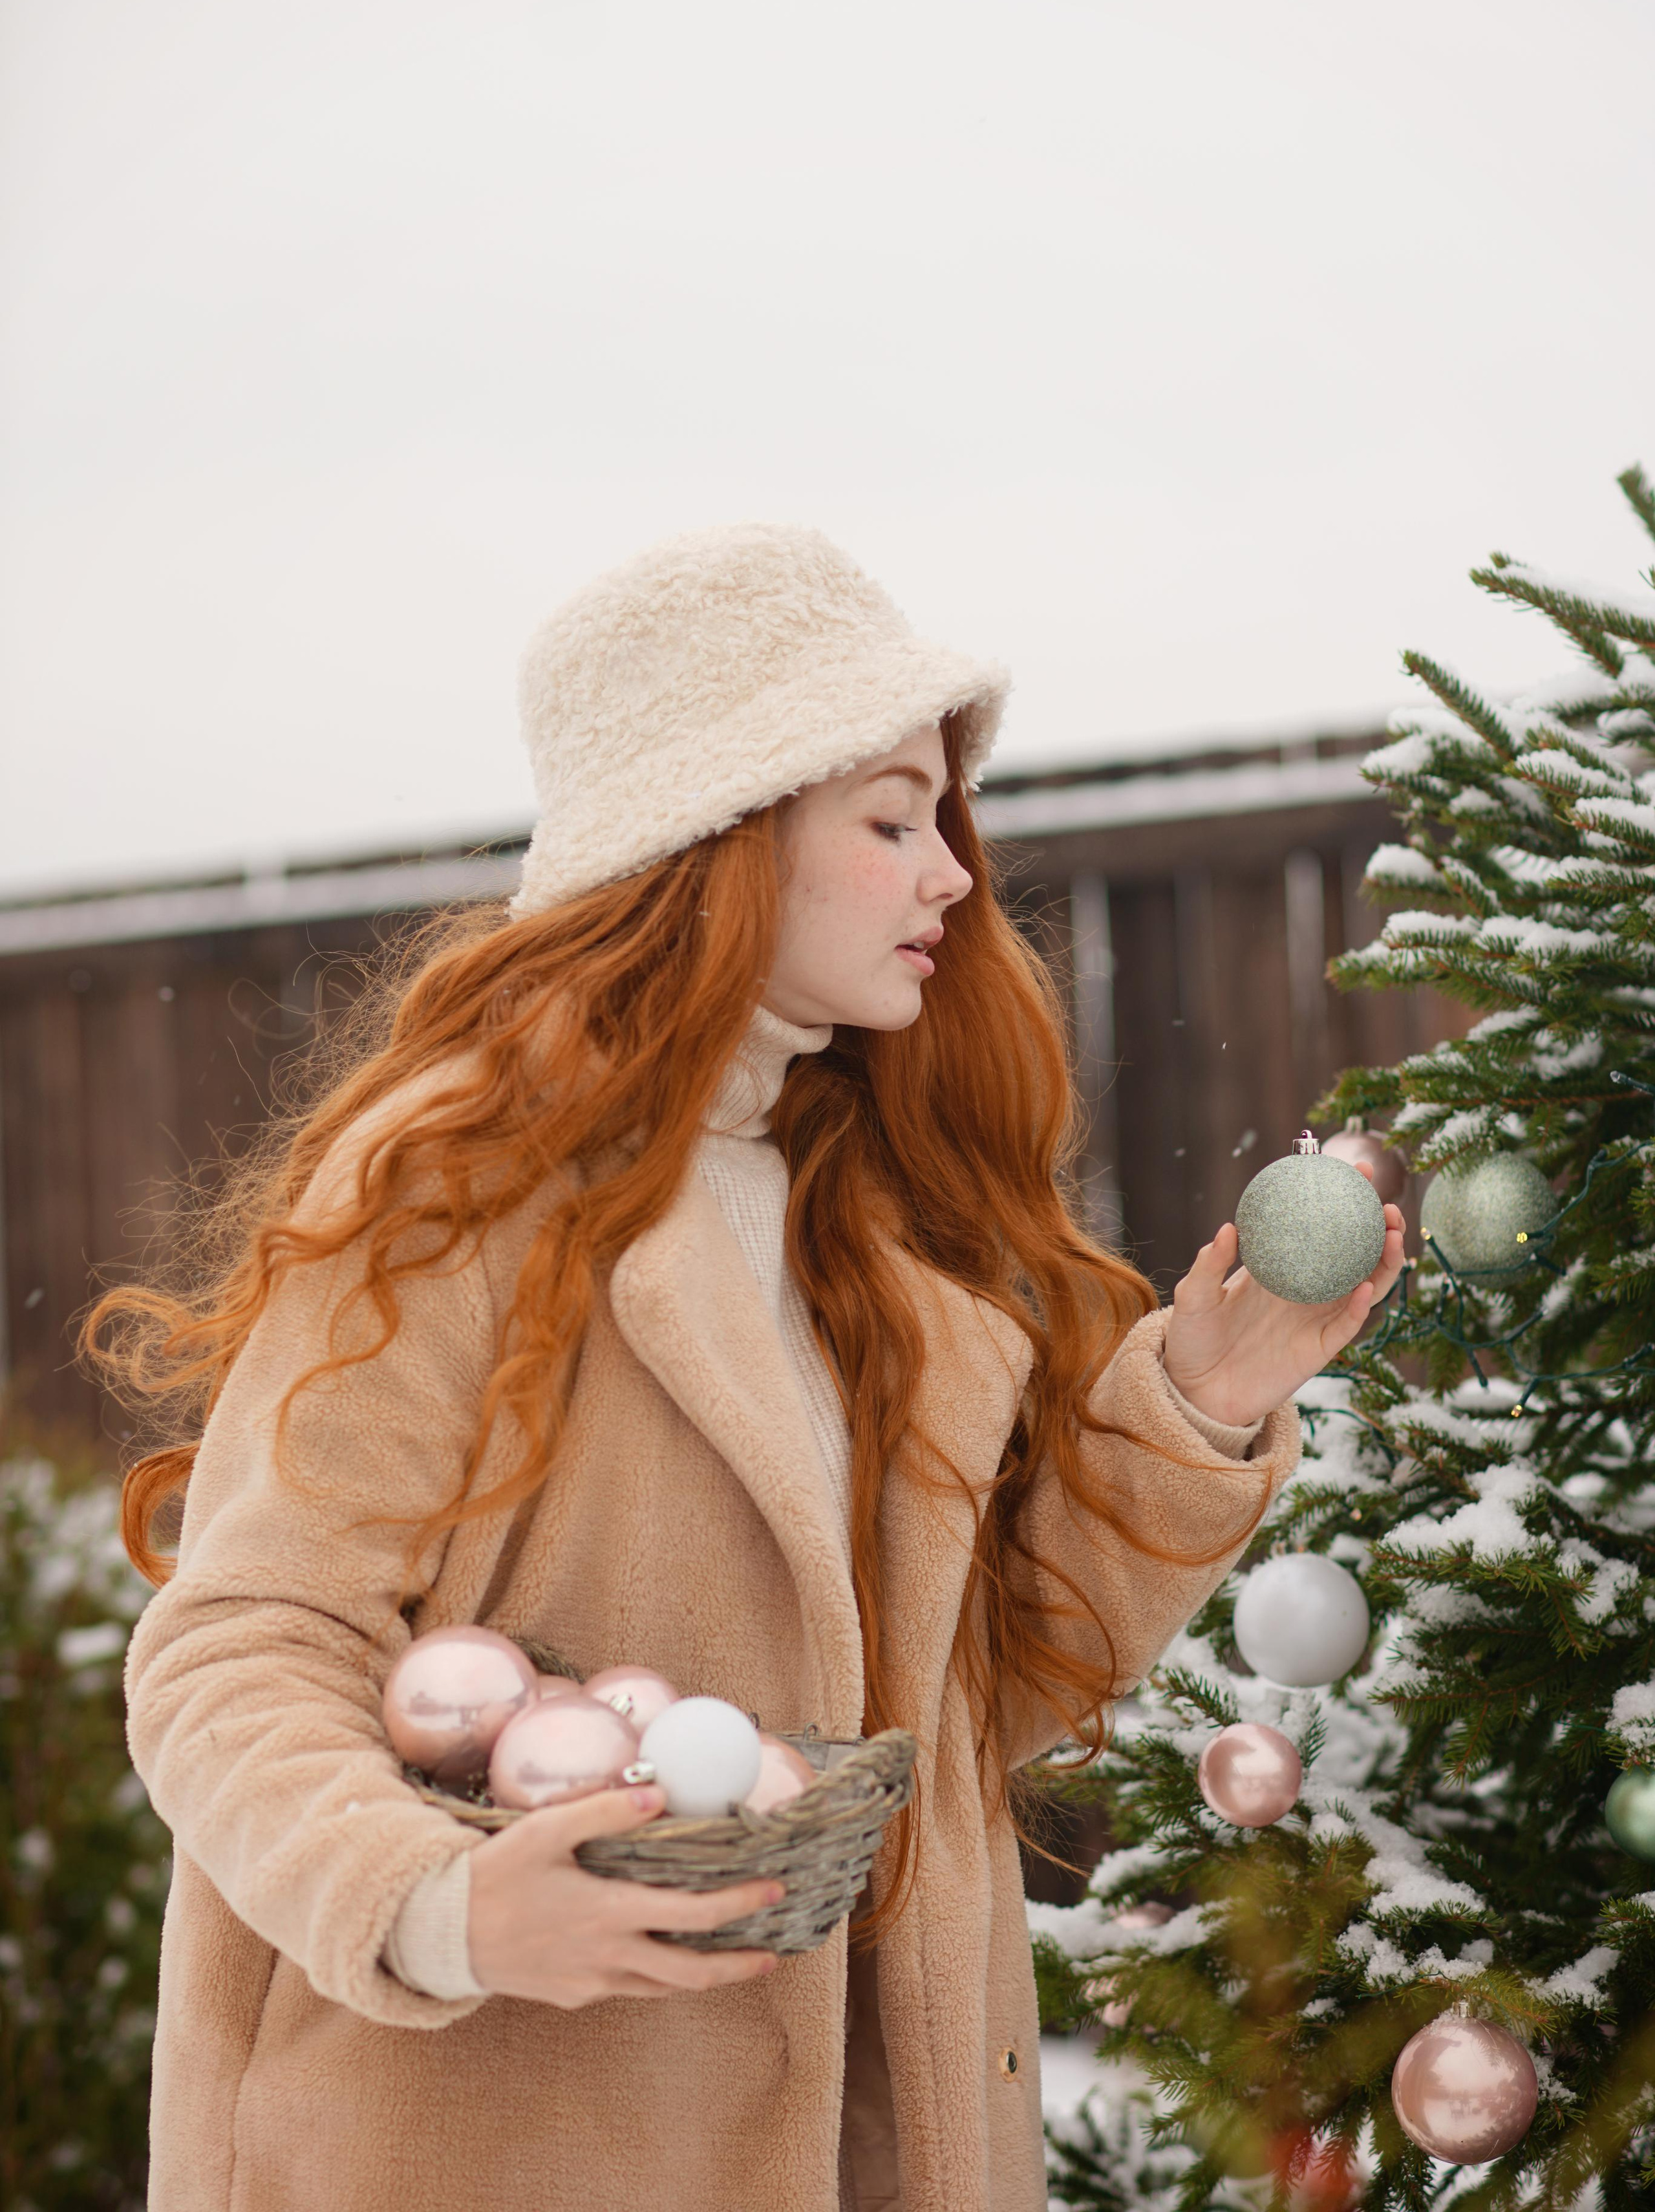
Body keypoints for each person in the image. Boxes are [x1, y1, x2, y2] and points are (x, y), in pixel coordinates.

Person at [100, 524, 1403, 2212]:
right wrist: (440, 1901)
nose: (951, 872)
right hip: (494, 2146)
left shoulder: (878, 1233)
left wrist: (1205, 1398)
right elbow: (239, 1640)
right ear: (711, 841)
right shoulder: (458, 1190)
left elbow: (970, 1702)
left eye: (944, 816)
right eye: (888, 819)